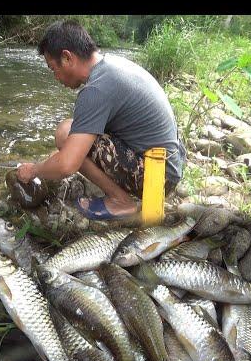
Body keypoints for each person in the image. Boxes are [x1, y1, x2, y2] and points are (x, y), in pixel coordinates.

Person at [16, 20, 186, 220]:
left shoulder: (96, 90)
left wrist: (34, 170)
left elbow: (66, 166)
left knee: (64, 134)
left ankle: (121, 201)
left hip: (158, 179)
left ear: (67, 57)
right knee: (73, 136)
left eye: (53, 69)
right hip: (171, 163)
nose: (56, 77)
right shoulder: (111, 65)